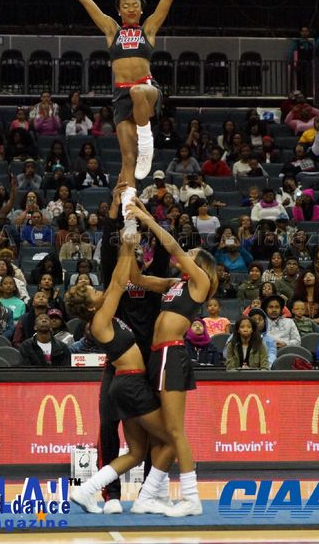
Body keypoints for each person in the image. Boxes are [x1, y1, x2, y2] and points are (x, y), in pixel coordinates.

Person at [52, 0, 198, 234]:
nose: (131, 8)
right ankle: (128, 218)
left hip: (147, 90)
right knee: (127, 162)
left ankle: (147, 140)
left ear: (141, 9)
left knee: (138, 92)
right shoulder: (111, 31)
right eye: (126, 5)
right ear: (119, 11)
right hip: (121, 96)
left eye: (135, 5)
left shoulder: (149, 29)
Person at [65, 236, 175, 515]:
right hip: (131, 383)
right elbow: (117, 281)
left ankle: (86, 490)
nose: (97, 290)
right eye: (92, 291)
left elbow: (117, 278)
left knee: (137, 451)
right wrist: (127, 243)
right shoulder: (100, 318)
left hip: (126, 385)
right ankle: (153, 496)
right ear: (90, 306)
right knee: (171, 439)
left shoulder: (101, 315)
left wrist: (128, 244)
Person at [126, 197, 218, 517]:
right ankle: (147, 496)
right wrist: (130, 235)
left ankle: (192, 497)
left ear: (201, 265)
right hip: (156, 356)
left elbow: (175, 249)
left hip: (172, 355)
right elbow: (136, 280)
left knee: (175, 432)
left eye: (193, 255)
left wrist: (147, 219)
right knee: (161, 435)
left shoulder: (200, 284)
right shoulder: (174, 284)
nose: (186, 256)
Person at [288, 26, 314, 96]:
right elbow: (291, 52)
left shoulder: (310, 44)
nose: (304, 33)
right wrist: (291, 62)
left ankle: (306, 95)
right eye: (303, 31)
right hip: (300, 64)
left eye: (306, 31)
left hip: (308, 65)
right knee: (299, 81)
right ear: (301, 33)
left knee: (307, 81)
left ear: (308, 33)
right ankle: (298, 95)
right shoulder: (297, 43)